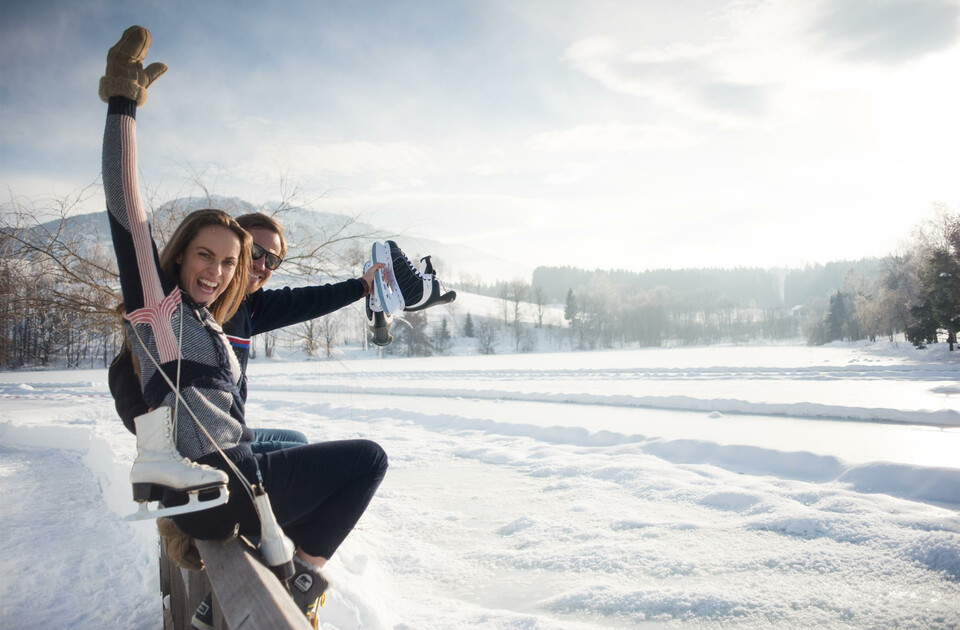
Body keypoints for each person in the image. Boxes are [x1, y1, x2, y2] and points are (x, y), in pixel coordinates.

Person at [99, 25, 387, 623]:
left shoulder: (211, 317)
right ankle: (303, 576)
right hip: (219, 486)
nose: (218, 270)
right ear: (178, 255)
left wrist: (360, 289)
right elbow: (125, 205)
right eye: (206, 255)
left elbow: (292, 304)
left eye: (230, 262)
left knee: (309, 457)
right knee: (368, 460)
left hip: (225, 478)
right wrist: (122, 103)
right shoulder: (161, 310)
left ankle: (258, 586)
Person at [108, 209, 385, 455]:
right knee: (354, 458)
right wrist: (145, 425)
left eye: (272, 261)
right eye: (254, 252)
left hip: (229, 428)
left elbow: (308, 300)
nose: (261, 265)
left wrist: (362, 285)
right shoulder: (186, 304)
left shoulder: (246, 305)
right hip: (203, 442)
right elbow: (127, 363)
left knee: (297, 440)